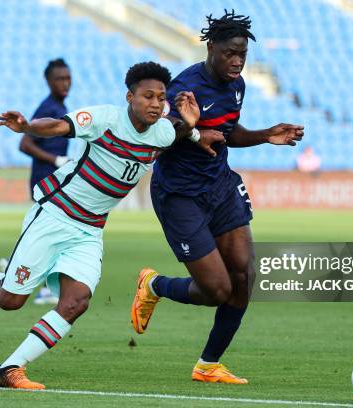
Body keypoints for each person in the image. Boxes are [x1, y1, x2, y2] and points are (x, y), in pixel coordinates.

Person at [0, 62, 223, 390]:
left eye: (161, 98)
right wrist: (27, 127)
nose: (154, 103)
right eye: (147, 96)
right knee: (11, 299)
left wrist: (193, 131)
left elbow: (175, 130)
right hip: (54, 215)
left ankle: (9, 369)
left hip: (90, 229)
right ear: (129, 97)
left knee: (76, 302)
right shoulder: (104, 118)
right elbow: (58, 127)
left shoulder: (162, 130)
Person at [130, 10, 305, 384]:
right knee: (216, 290)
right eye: (230, 53)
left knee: (243, 276)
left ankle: (208, 365)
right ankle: (154, 285)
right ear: (211, 48)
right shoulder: (183, 89)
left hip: (221, 187)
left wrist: (265, 134)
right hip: (181, 196)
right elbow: (163, 137)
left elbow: (227, 132)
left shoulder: (237, 85)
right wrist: (190, 129)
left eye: (242, 53)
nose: (237, 61)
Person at [20, 58, 72, 305]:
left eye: (67, 78)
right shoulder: (48, 108)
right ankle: (43, 287)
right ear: (49, 81)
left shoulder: (59, 106)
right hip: (45, 181)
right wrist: (56, 160)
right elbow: (25, 143)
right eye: (59, 79)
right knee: (52, 234)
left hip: (52, 181)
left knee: (50, 232)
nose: (65, 83)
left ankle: (18, 265)